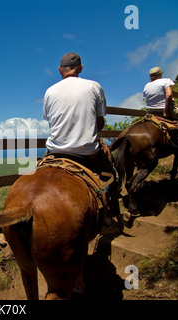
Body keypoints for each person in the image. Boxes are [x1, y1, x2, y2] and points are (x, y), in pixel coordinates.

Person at [42, 52, 120, 232]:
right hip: (87, 152)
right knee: (112, 176)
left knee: (34, 173)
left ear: (60, 70)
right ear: (81, 68)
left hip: (55, 151)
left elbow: (52, 121)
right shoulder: (94, 86)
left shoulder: (50, 91)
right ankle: (108, 219)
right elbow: (99, 122)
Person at [143, 67, 178, 152]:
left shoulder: (147, 86)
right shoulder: (166, 81)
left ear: (151, 76)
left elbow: (151, 98)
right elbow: (169, 95)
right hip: (164, 109)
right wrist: (166, 110)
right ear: (160, 74)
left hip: (151, 112)